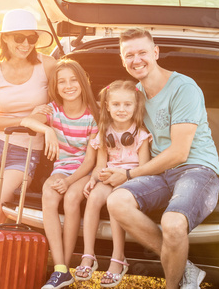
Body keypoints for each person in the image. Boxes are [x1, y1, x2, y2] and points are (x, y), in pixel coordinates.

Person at [104, 28, 219, 289]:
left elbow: (180, 152)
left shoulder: (184, 88)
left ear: (155, 52)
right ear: (123, 60)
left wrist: (129, 175)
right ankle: (186, 267)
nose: (136, 60)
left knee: (173, 223)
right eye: (129, 55)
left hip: (197, 168)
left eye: (142, 53)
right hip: (160, 174)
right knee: (117, 201)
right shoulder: (134, 94)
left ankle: (173, 285)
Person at [0, 9, 56, 275]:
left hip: (25, 151)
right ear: (5, 39)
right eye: (19, 37)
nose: (25, 44)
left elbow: (61, 102)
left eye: (31, 38)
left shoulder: (48, 65)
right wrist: (27, 119)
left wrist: (40, 124)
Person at [20, 59, 100, 289]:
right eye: (62, 81)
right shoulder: (53, 110)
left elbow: (91, 160)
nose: (68, 85)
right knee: (48, 192)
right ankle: (61, 269)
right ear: (55, 86)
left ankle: (65, 266)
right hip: (62, 169)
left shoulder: (93, 114)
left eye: (73, 80)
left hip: (86, 170)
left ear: (83, 81)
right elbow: (27, 120)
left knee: (73, 197)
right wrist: (47, 129)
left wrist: (70, 181)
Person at [74, 80, 151, 287]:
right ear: (107, 106)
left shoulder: (141, 135)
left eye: (127, 105)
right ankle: (88, 255)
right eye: (116, 104)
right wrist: (93, 179)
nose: (122, 109)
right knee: (93, 200)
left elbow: (144, 169)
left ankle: (118, 258)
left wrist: (124, 177)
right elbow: (100, 165)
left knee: (115, 204)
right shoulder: (103, 132)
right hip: (109, 177)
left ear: (136, 106)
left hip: (131, 179)